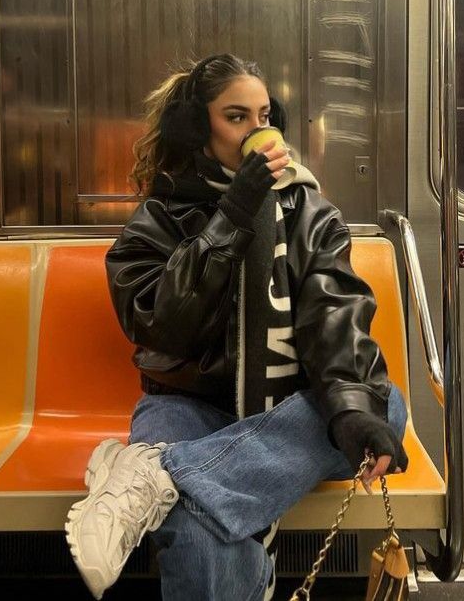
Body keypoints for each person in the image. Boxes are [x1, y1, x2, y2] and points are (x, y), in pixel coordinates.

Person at [65, 53, 409, 601]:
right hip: (186, 403)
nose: (259, 131)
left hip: (284, 410)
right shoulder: (157, 220)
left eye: (265, 116)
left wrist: (349, 409)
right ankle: (191, 488)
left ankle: (161, 476)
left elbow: (334, 319)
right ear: (199, 131)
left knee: (380, 404)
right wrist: (234, 215)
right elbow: (165, 326)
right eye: (237, 117)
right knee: (203, 537)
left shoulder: (309, 213)